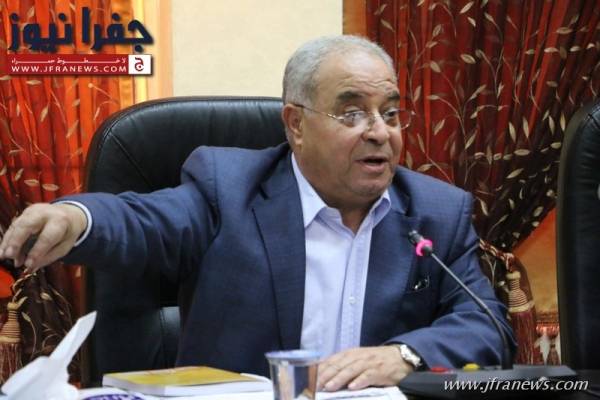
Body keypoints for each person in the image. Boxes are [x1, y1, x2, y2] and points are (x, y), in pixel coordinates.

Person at [0, 35, 514, 391]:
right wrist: (76, 219)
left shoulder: (435, 212)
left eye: (391, 113)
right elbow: (147, 221)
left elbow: (486, 324)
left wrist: (402, 355)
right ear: (296, 124)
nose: (380, 131)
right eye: (353, 112)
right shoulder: (228, 188)